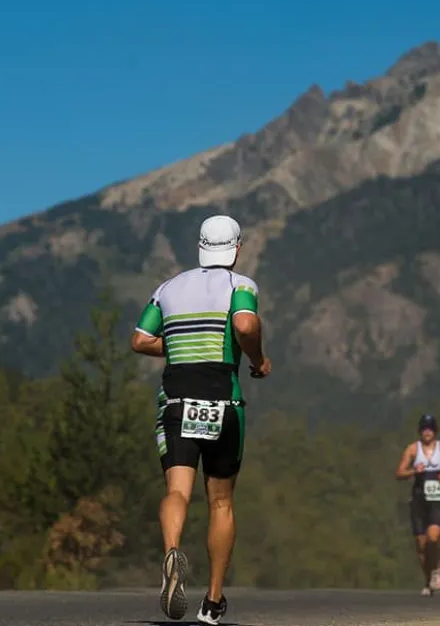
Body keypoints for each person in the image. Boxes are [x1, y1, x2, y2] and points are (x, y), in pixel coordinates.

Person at [130, 214, 271, 625]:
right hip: (223, 402)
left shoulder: (168, 288)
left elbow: (140, 339)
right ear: (238, 248)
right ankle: (212, 602)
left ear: (200, 246)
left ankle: (172, 551)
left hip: (175, 399)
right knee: (221, 502)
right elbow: (245, 324)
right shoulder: (241, 286)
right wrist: (258, 359)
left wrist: (175, 348)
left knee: (177, 490)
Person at [395, 414, 440, 596]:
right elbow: (399, 473)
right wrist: (412, 471)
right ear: (420, 431)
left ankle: (435, 570)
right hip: (418, 500)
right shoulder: (412, 449)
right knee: (421, 543)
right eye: (424, 429)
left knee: (433, 537)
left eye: (430, 428)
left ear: (435, 431)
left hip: (437, 499)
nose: (427, 432)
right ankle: (428, 580)